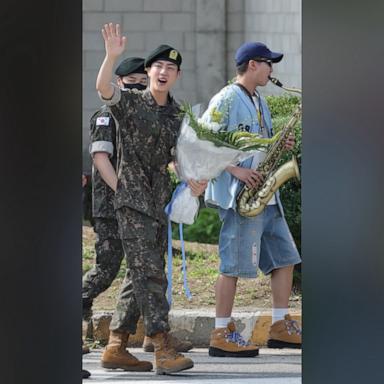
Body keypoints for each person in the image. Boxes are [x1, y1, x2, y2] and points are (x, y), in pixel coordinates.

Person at [95, 23, 207, 375]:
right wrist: (111, 56)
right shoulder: (130, 104)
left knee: (137, 275)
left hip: (159, 202)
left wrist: (193, 179)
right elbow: (103, 90)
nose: (162, 72)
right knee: (152, 275)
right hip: (132, 202)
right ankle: (162, 345)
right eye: (157, 66)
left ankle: (116, 344)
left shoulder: (178, 116)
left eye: (170, 68)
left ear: (177, 75)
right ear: (148, 72)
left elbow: (179, 157)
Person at [200, 41, 302, 358]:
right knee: (231, 266)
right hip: (241, 198)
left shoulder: (260, 100)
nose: (272, 70)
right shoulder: (226, 98)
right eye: (269, 63)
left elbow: (263, 146)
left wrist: (280, 144)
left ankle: (280, 326)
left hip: (267, 196)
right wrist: (234, 170)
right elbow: (202, 140)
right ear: (253, 64)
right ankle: (220, 331)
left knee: (286, 259)